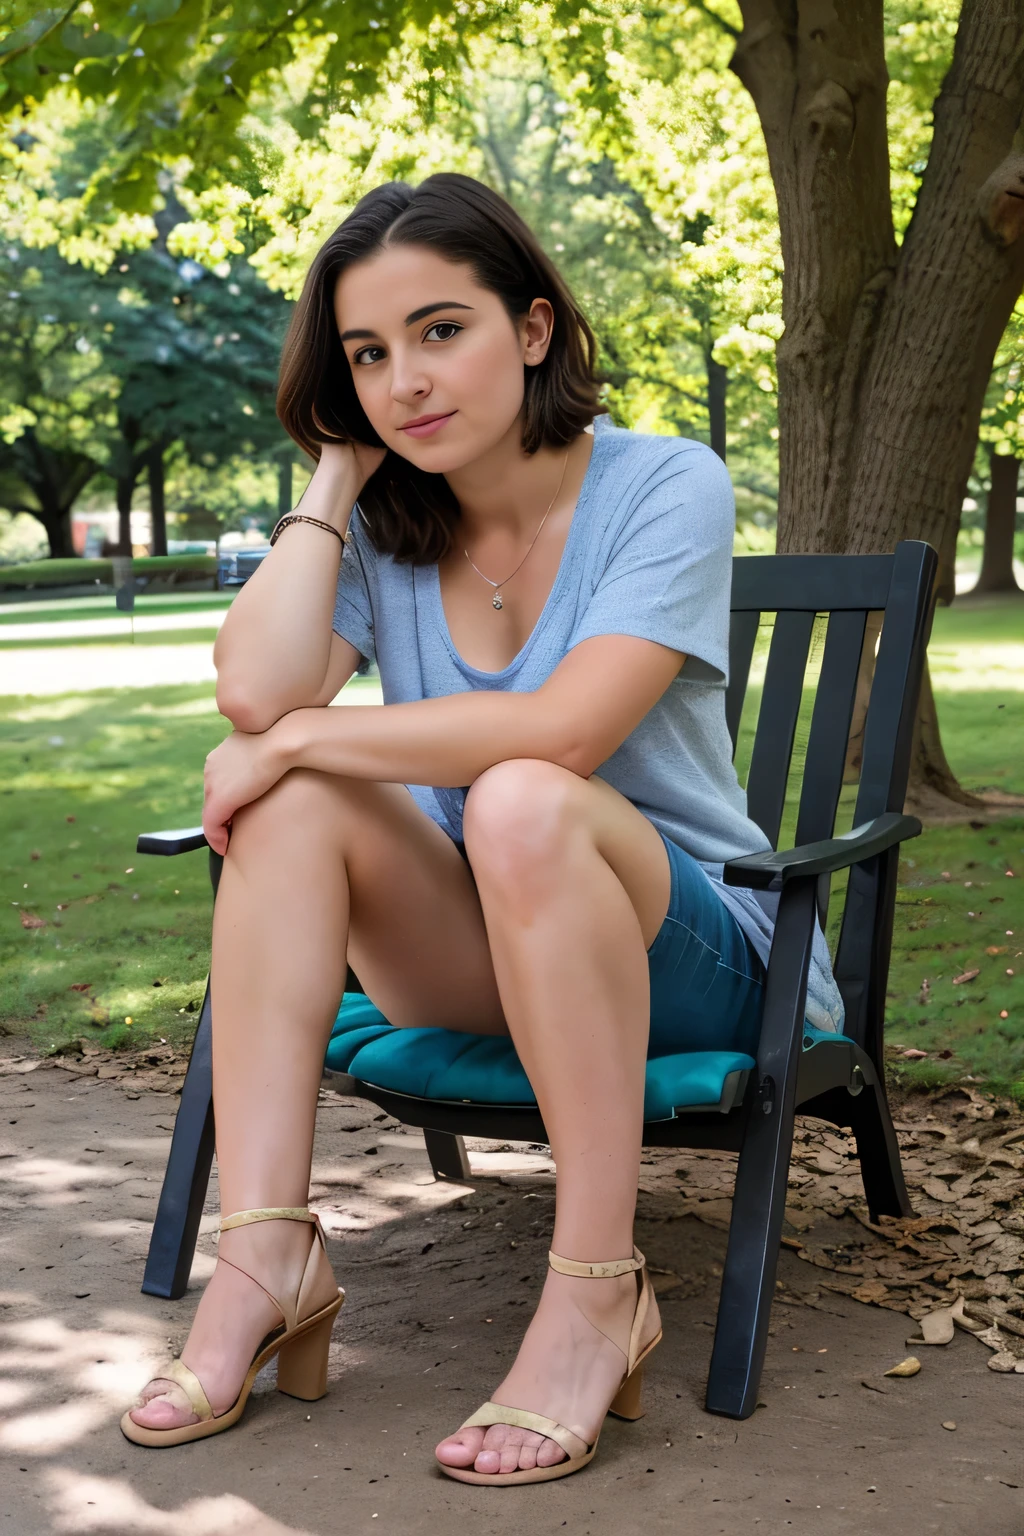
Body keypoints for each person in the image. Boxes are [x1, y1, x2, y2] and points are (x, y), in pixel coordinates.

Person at [120, 172, 844, 1483]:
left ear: (535, 328)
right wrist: (335, 471)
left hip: (707, 962)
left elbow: (563, 732)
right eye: (367, 354)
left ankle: (594, 1292)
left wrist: (294, 735)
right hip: (498, 949)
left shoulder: (662, 484)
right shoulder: (396, 523)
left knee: (511, 789)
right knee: (293, 798)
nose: (406, 378)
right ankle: (267, 1250)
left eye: (440, 330)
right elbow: (253, 691)